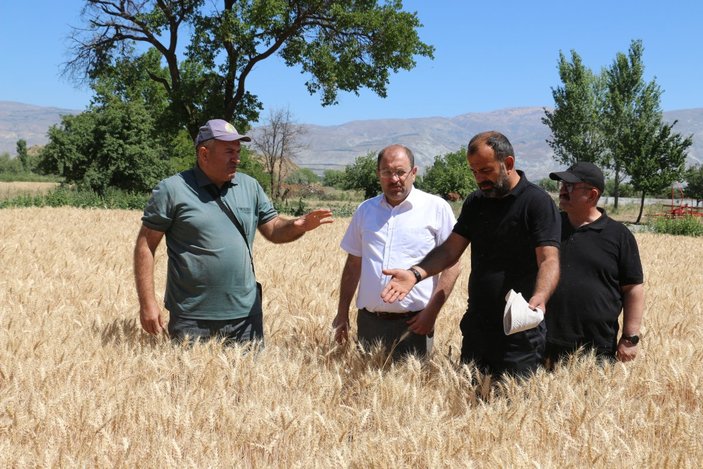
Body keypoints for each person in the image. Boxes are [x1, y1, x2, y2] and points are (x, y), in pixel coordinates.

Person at [134, 119, 333, 345]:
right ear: (204, 153)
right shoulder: (172, 190)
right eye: (229, 151)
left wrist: (297, 225)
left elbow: (274, 230)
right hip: (192, 317)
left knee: (248, 381)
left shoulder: (250, 186)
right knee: (189, 381)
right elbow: (146, 245)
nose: (236, 158)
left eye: (238, 151)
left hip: (245, 316)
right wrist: (147, 302)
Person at [381, 131, 561, 376]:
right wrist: (416, 274)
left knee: (514, 406)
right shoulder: (476, 202)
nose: (479, 179)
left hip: (519, 329)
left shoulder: (536, 202)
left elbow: (549, 259)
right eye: (474, 172)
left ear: (508, 164)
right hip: (478, 326)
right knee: (469, 400)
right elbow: (449, 250)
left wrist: (540, 296)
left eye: (485, 171)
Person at [332, 144, 462, 359]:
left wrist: (431, 313)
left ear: (414, 172)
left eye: (401, 172)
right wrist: (342, 313)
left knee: (415, 389)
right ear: (378, 174)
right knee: (365, 389)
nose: (394, 179)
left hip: (416, 323)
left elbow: (453, 265)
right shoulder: (365, 210)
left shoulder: (436, 208)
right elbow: (354, 264)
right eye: (387, 172)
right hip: (369, 323)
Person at [546, 162, 644, 364]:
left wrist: (630, 338)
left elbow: (633, 288)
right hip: (546, 342)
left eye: (570, 186)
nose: (563, 190)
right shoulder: (549, 226)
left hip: (596, 347)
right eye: (562, 184)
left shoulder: (619, 236)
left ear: (592, 195)